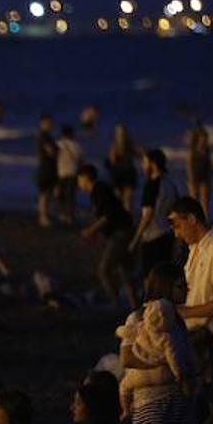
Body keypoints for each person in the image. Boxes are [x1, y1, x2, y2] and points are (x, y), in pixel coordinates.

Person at [120, 263, 192, 424]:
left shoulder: (178, 320)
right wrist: (164, 363)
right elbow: (127, 358)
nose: (186, 288)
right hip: (150, 401)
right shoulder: (138, 318)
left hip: (176, 399)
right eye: (180, 284)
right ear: (165, 286)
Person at [171, 197, 213, 353]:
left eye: (178, 227)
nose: (177, 234)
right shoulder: (194, 249)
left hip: (210, 342)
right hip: (191, 338)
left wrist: (185, 312)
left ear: (192, 219)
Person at [114, 291, 194, 418]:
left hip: (141, 374)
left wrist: (118, 331)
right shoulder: (168, 337)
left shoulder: (141, 328)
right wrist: (179, 374)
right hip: (163, 375)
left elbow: (126, 331)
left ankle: (125, 411)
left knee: (124, 386)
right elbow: (173, 357)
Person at [78, 165, 136, 308]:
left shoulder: (99, 190)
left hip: (121, 233)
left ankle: (116, 302)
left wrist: (90, 230)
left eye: (79, 180)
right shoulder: (99, 190)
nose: (78, 184)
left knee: (104, 270)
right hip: (124, 231)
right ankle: (134, 304)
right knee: (124, 270)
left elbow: (106, 216)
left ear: (85, 178)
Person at [127, 149, 180, 283]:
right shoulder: (170, 185)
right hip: (168, 236)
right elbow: (176, 213)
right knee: (164, 279)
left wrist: (135, 240)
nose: (143, 166)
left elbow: (147, 216)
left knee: (149, 279)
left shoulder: (151, 185)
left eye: (145, 162)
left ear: (153, 164)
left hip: (152, 237)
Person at [55, 125, 84, 225]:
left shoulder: (58, 144)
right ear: (72, 134)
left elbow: (54, 159)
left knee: (61, 196)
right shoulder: (77, 146)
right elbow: (81, 161)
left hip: (61, 173)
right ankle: (70, 216)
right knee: (71, 196)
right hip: (73, 173)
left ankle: (62, 215)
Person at [35, 115, 59, 227]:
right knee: (44, 193)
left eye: (50, 123)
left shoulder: (47, 136)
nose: (49, 125)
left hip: (48, 167)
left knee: (47, 193)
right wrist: (56, 152)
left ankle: (45, 215)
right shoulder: (44, 136)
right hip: (45, 168)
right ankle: (43, 217)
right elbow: (51, 152)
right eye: (47, 123)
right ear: (41, 123)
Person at [187, 122, 213, 219]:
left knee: (205, 202)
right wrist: (191, 178)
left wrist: (210, 176)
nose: (204, 141)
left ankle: (206, 222)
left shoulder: (207, 149)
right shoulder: (193, 149)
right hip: (195, 175)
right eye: (203, 139)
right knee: (194, 201)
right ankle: (194, 221)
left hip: (204, 175)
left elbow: (209, 164)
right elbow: (189, 165)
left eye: (206, 139)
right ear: (198, 139)